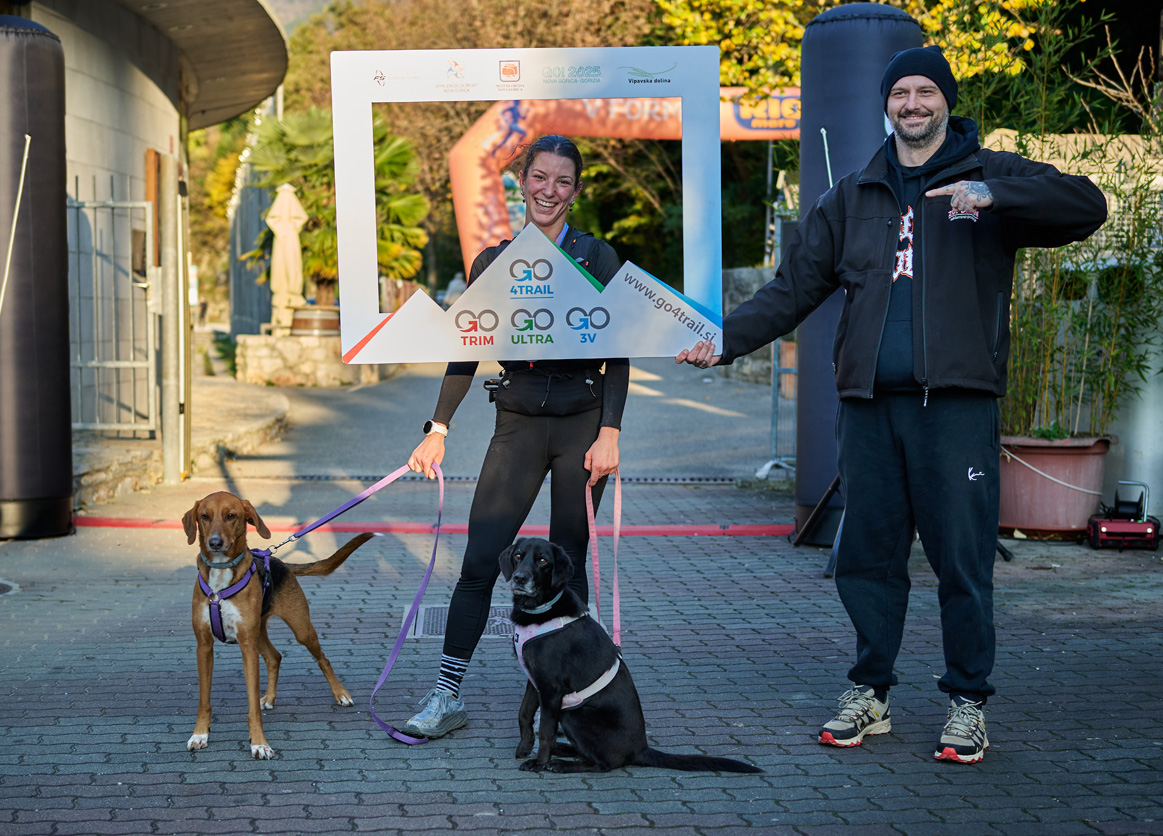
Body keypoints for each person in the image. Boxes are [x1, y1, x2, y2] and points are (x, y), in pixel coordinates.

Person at [677, 46, 1107, 764]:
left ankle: (967, 702)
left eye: (925, 91)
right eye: (900, 92)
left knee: (961, 561)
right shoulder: (853, 194)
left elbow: (1087, 204)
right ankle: (869, 692)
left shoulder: (990, 173)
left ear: (945, 100)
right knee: (867, 560)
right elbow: (791, 290)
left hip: (956, 408)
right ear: (886, 104)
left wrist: (995, 197)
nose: (912, 103)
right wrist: (722, 342)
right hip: (870, 408)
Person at [402, 135, 628, 739]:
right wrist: (438, 428)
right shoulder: (493, 262)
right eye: (539, 177)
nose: (549, 190)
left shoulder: (596, 256)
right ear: (521, 181)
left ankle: (577, 696)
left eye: (563, 181)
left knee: (568, 564)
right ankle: (446, 695)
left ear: (575, 191)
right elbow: (466, 346)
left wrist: (609, 432)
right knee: (480, 560)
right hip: (519, 423)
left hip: (582, 425)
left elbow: (620, 351)